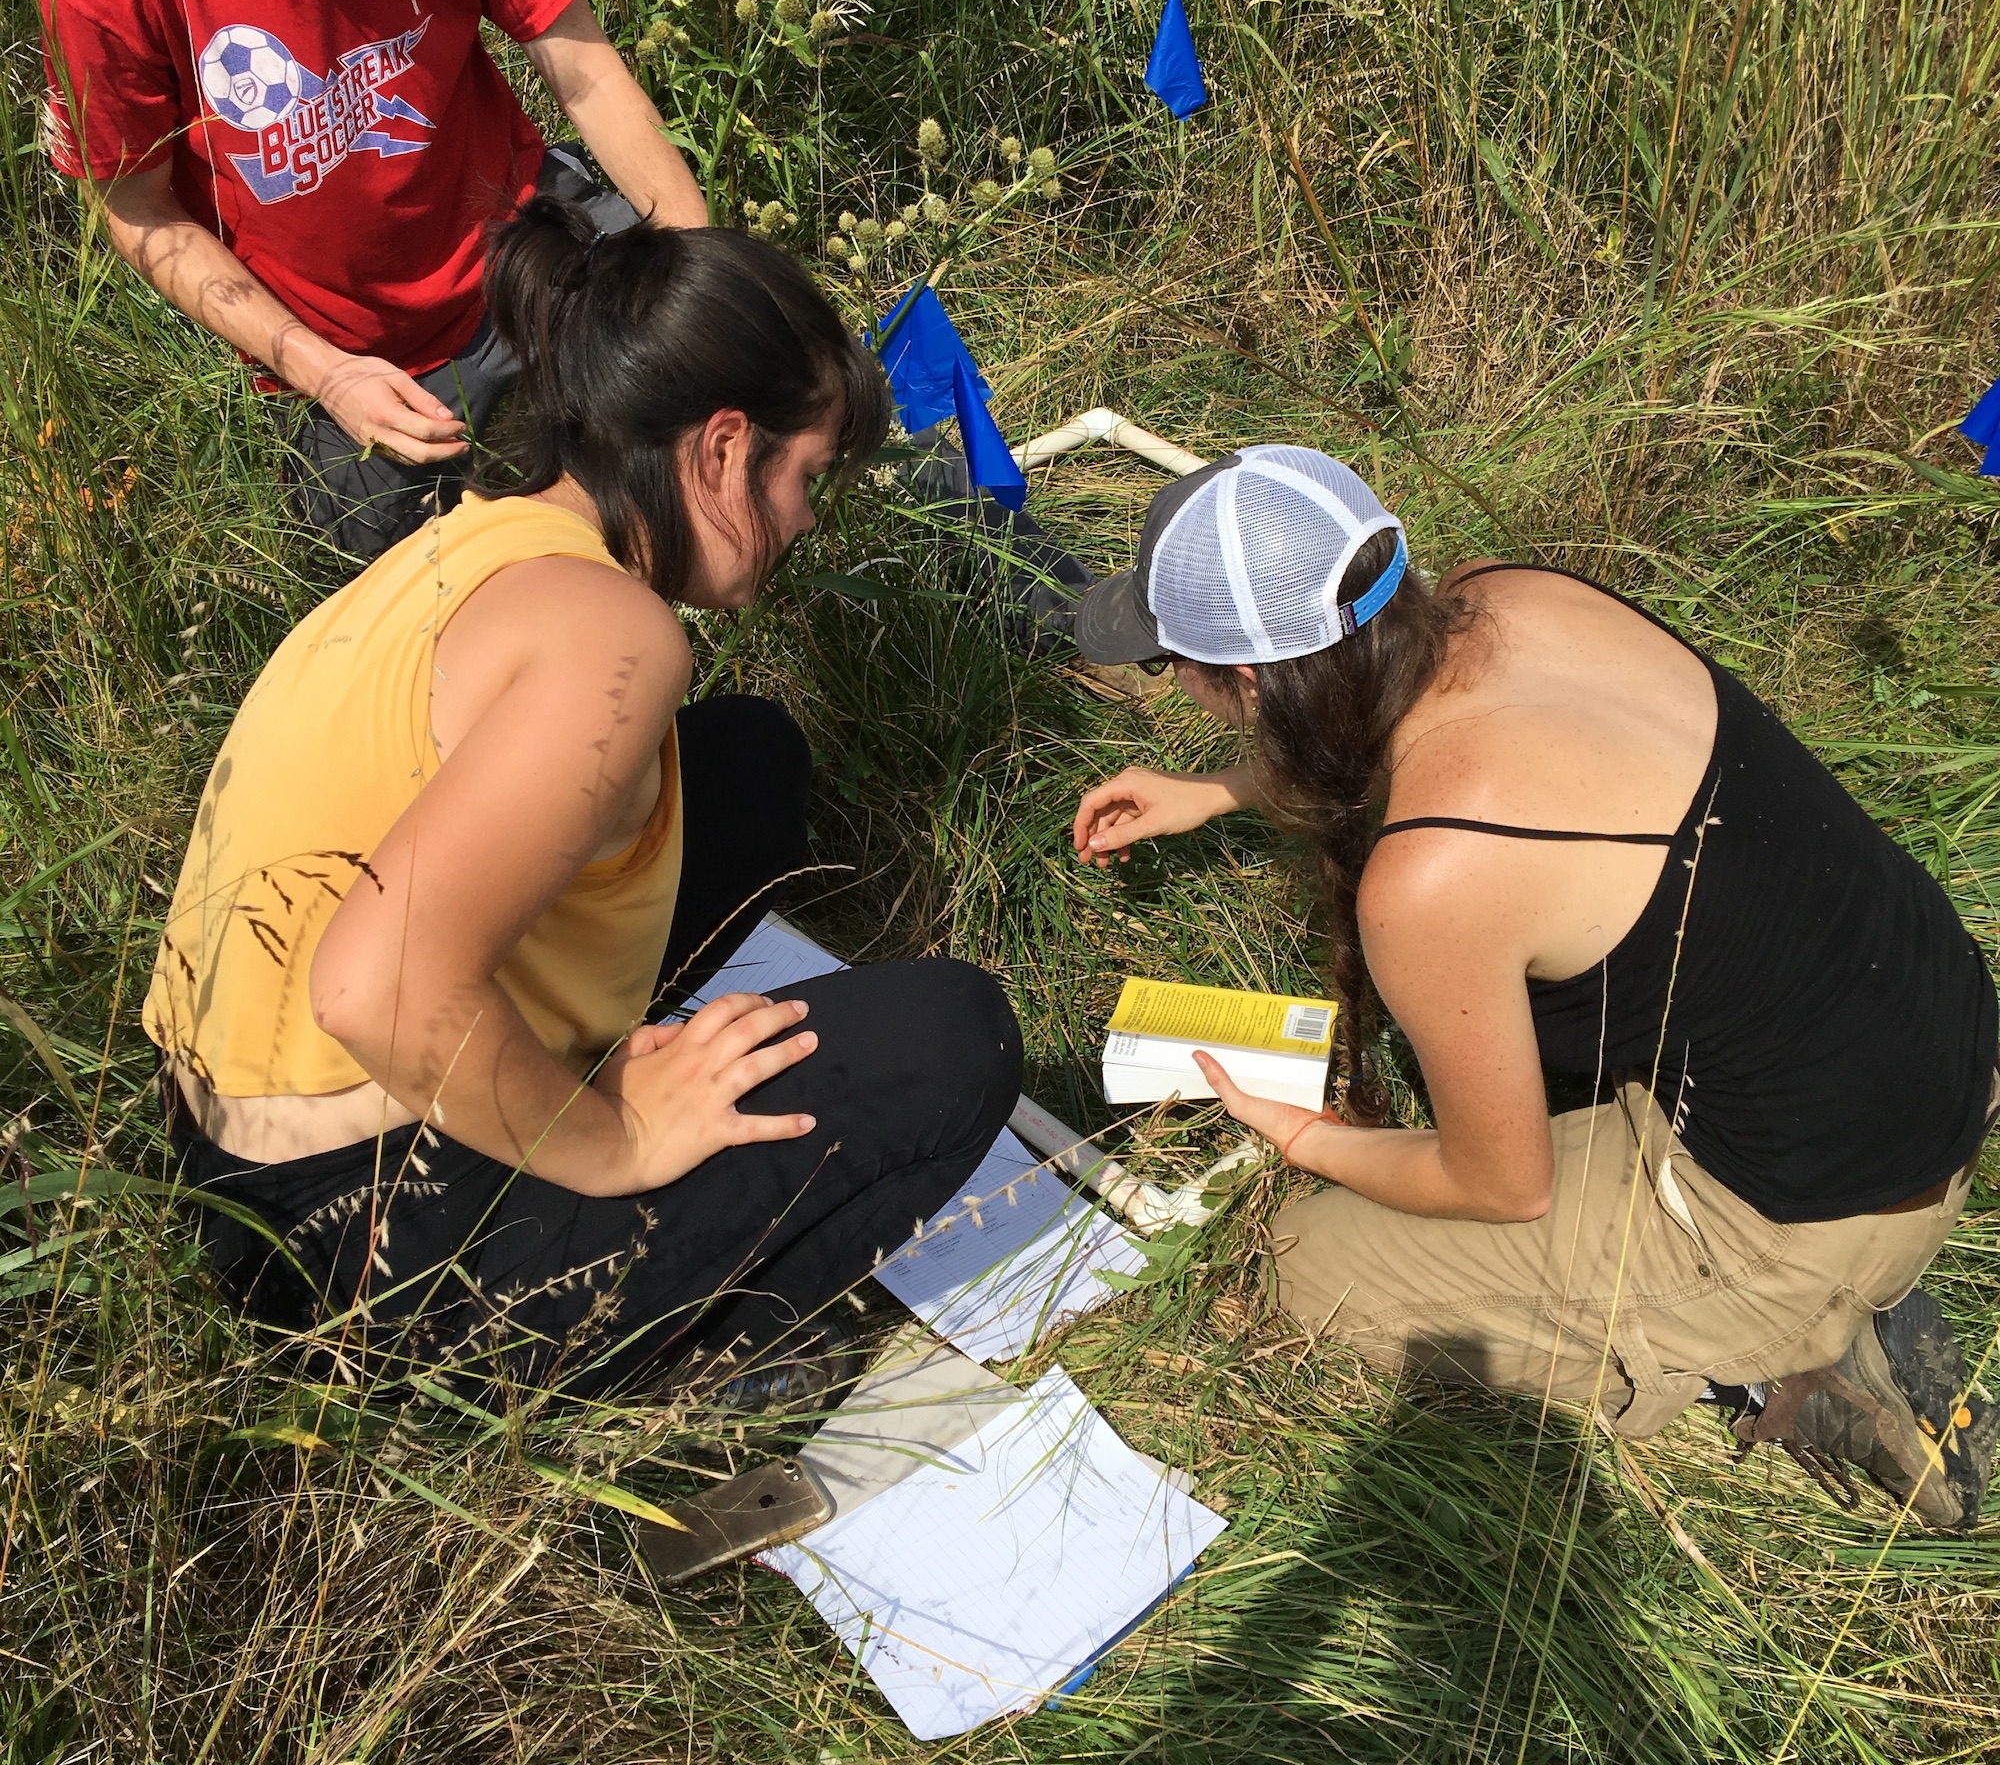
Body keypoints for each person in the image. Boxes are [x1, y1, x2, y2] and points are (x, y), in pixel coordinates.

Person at [144, 197, 1022, 1402]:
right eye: (806, 476)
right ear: (721, 448)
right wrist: (617, 1140)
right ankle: (669, 1366)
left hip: (218, 1145)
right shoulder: (617, 633)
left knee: (746, 761)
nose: (807, 520)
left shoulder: (482, 532)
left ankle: (580, 1105)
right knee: (949, 1040)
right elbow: (377, 984)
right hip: (363, 1243)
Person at [1070, 444, 1997, 1531]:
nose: (1170, 684)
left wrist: (1304, 1136)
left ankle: (1780, 1359)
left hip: (1799, 1209)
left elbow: (1499, 1182)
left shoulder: (1428, 878)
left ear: (1242, 678)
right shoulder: (1500, 598)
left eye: (1164, 663)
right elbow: (1392, 716)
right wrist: (1222, 788)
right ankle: (1805, 1297)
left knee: (1307, 1265)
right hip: (1934, 1047)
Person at [38, 0, 708, 567]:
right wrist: (321, 372)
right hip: (340, 349)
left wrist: (705, 272)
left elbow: (586, 72)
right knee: (405, 613)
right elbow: (140, 209)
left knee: (665, 492)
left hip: (524, 241)